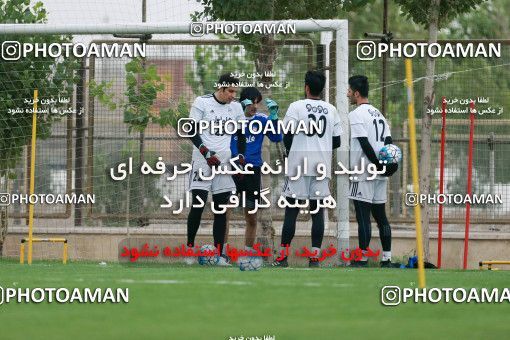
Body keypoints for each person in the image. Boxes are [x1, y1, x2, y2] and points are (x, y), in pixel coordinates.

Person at [272, 70, 342, 268]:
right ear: (322, 88)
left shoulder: (296, 106)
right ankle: (314, 258)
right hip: (321, 167)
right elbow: (336, 140)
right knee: (317, 211)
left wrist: (289, 153)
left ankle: (283, 257)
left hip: (298, 166)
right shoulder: (331, 109)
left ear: (307, 87)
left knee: (291, 211)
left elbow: (288, 133)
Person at [184, 73, 246, 266]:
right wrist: (205, 152)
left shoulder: (235, 107)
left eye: (235, 91)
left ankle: (219, 255)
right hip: (203, 161)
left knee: (221, 209)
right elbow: (191, 130)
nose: (233, 95)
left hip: (224, 163)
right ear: (221, 88)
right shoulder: (201, 102)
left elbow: (241, 134)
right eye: (230, 91)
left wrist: (240, 158)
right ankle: (189, 249)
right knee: (198, 204)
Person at [346, 75, 399, 268]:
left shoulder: (356, 114)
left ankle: (362, 258)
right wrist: (387, 165)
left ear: (357, 93)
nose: (347, 94)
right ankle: (386, 259)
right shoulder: (379, 114)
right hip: (380, 174)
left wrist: (376, 164)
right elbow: (388, 143)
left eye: (349, 91)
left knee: (363, 216)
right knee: (381, 216)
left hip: (364, 171)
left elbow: (364, 143)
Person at [227, 87, 282, 256]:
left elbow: (276, 137)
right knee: (224, 213)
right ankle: (221, 253)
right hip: (233, 169)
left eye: (258, 103)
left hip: (253, 171)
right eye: (252, 102)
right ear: (243, 102)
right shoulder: (232, 118)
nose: (255, 106)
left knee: (251, 216)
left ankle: (248, 253)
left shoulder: (262, 119)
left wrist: (274, 118)